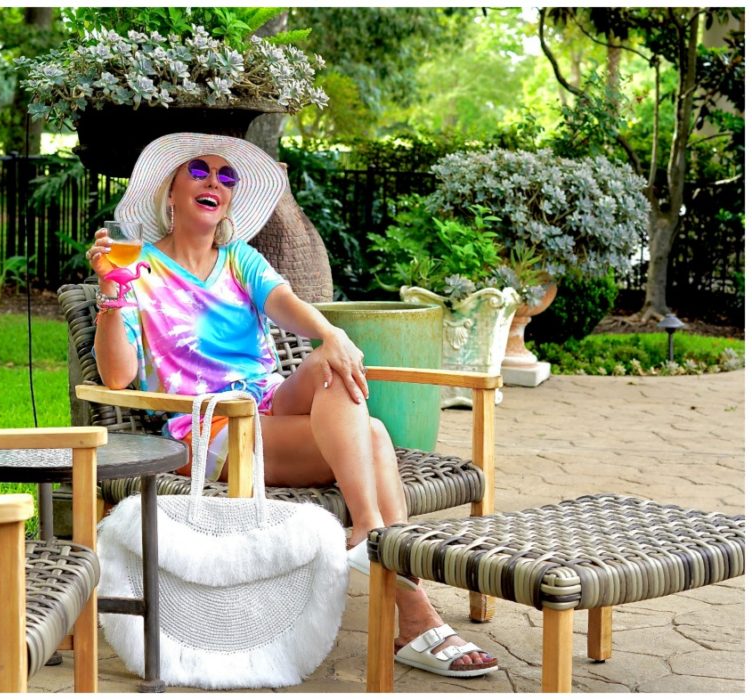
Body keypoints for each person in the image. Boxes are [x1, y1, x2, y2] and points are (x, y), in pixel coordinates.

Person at [86, 132, 498, 679]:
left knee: (333, 368)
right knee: (372, 434)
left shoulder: (239, 259)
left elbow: (288, 304)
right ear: (170, 191)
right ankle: (409, 601)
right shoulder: (139, 272)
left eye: (226, 176)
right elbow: (117, 376)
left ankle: (372, 541)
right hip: (209, 428)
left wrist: (334, 337)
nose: (215, 182)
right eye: (200, 172)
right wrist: (113, 293)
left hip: (271, 406)